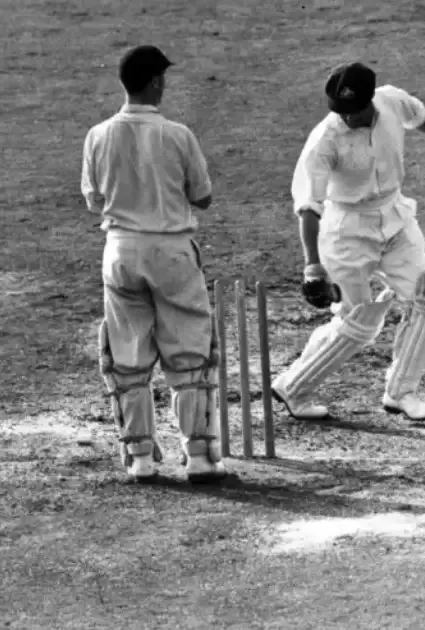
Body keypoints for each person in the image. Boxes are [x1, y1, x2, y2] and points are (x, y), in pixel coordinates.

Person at [270, 61, 425, 422]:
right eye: (340, 111)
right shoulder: (325, 139)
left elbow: (418, 115)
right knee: (359, 322)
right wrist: (312, 266)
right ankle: (294, 387)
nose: (346, 118)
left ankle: (401, 392)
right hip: (347, 231)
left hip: (394, 217)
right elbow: (308, 207)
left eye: (353, 111)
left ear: (370, 100)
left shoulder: (392, 101)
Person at [82, 45, 227, 483]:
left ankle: (140, 459)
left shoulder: (98, 134)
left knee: (126, 354)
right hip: (172, 250)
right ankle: (200, 457)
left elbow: (94, 202)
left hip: (120, 251)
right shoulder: (177, 134)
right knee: (189, 350)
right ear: (155, 82)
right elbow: (203, 196)